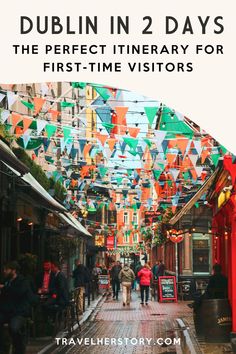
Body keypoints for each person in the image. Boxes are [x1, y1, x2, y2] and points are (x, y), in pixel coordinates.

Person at [0, 261, 38, 354]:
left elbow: (18, 292)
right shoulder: (6, 281)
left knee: (14, 328)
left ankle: (19, 349)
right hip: (6, 311)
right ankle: (4, 348)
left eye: (6, 269)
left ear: (14, 271)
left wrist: (4, 288)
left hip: (19, 312)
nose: (4, 271)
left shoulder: (23, 281)